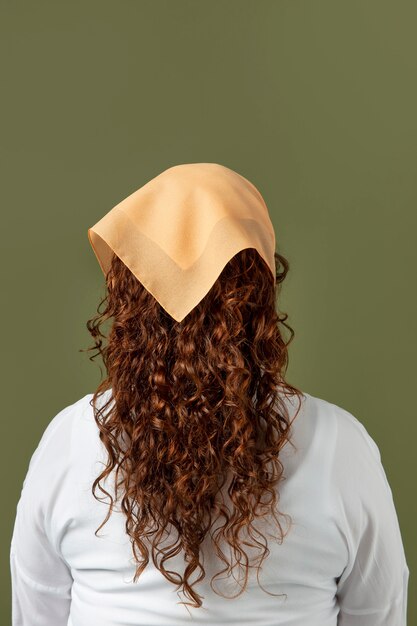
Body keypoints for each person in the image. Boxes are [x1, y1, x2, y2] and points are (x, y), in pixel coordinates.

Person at [10, 163, 409, 625]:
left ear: (129, 304)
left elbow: (35, 613)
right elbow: (380, 613)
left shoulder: (70, 440)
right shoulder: (342, 445)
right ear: (259, 303)